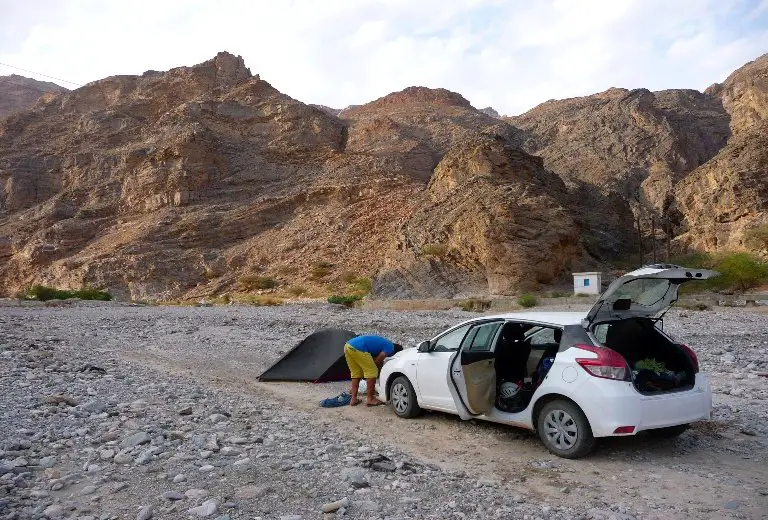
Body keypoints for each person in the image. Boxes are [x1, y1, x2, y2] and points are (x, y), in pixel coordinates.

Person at [344, 335, 403, 406]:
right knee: (372, 371)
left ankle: (353, 399)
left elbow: (375, 359)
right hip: (358, 347)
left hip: (348, 346)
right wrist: (376, 372)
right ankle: (370, 399)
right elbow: (378, 360)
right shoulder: (391, 348)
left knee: (356, 373)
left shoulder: (383, 344)